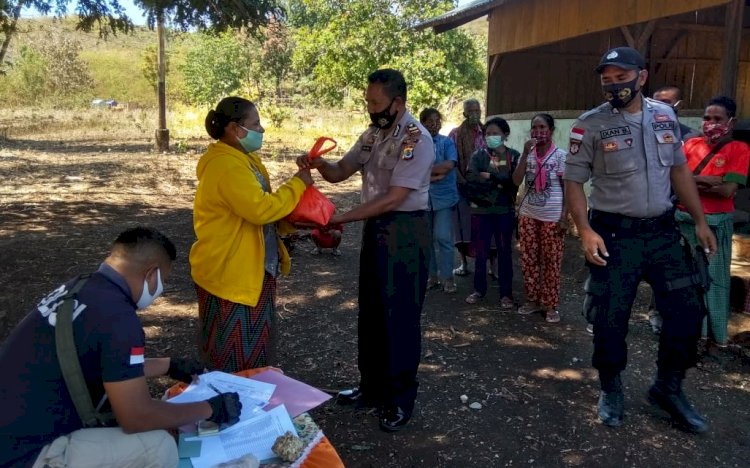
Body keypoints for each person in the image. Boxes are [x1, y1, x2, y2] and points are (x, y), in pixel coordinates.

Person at [564, 46, 717, 433]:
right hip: (615, 234)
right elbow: (574, 181)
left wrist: (699, 220)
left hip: (663, 232)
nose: (615, 85)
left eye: (622, 77)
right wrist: (585, 230)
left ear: (641, 77)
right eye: (607, 80)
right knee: (610, 318)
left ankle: (668, 387)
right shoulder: (590, 125)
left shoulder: (665, 116)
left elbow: (679, 171)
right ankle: (611, 387)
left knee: (686, 311)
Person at [0, 227, 242, 468]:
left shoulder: (80, 289)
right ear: (151, 274)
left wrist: (168, 365)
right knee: (158, 446)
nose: (161, 290)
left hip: (12, 431)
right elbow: (136, 417)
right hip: (25, 455)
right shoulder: (118, 319)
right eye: (163, 281)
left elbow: (99, 364)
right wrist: (208, 408)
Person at [296, 69, 433, 432]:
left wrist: (342, 217)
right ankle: (370, 388)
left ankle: (399, 399)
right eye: (368, 102)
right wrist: (318, 164)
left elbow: (395, 198)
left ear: (397, 102)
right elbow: (341, 171)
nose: (370, 109)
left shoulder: (416, 139)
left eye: (376, 103)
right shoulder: (373, 134)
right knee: (371, 312)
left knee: (400, 318)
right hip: (377, 228)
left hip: (406, 230)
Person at [191, 97, 313, 373]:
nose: (262, 129)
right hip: (231, 271)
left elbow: (261, 209)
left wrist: (290, 221)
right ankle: (231, 405)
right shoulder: (226, 166)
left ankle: (249, 402)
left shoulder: (246, 160)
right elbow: (259, 209)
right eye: (255, 123)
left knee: (253, 346)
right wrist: (297, 184)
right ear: (235, 129)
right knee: (232, 352)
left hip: (251, 268)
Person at [676, 96, 750, 354]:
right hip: (682, 222)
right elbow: (674, 180)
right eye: (707, 118)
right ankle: (690, 335)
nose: (711, 124)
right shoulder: (690, 145)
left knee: (714, 282)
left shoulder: (739, 149)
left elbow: (728, 190)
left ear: (732, 122)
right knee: (685, 281)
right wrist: (710, 180)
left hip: (717, 226)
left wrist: (691, 179)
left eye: (718, 119)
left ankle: (714, 338)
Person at [646, 85, 699, 334]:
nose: (661, 108)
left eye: (668, 103)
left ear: (680, 106)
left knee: (671, 268)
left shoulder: (691, 139)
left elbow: (691, 176)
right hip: (646, 210)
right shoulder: (643, 132)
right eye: (657, 102)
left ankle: (664, 313)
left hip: (676, 212)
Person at [512, 113, 568, 323]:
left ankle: (550, 304)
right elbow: (516, 181)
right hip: (528, 216)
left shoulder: (561, 156)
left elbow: (567, 189)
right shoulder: (527, 155)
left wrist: (564, 218)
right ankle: (533, 301)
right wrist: (525, 155)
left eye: (543, 127)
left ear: (551, 130)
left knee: (551, 262)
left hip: (552, 217)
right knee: (529, 260)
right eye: (534, 128)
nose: (538, 132)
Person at [463, 117, 519, 309]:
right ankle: (479, 289)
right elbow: (471, 178)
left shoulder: (514, 156)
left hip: (504, 212)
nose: (490, 137)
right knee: (480, 252)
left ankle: (506, 294)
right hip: (481, 211)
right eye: (487, 134)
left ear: (505, 134)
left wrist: (492, 176)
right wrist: (499, 181)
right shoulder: (478, 155)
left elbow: (513, 182)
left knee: (504, 252)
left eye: (495, 133)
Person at [421, 107, 459, 293]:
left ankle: (448, 277)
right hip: (422, 198)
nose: (433, 124)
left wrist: (424, 173)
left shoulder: (447, 143)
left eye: (436, 120)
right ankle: (432, 276)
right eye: (428, 120)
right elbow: (410, 168)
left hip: (444, 198)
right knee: (426, 239)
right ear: (421, 123)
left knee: (443, 237)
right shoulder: (416, 144)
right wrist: (432, 175)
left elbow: (448, 165)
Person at [449, 98, 489, 277]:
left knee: (485, 226)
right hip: (463, 187)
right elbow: (451, 162)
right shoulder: (455, 134)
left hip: (485, 188)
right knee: (463, 226)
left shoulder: (487, 132)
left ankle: (491, 266)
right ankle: (464, 264)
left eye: (477, 110)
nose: (474, 114)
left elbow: (495, 157)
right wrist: (463, 182)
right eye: (470, 111)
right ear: (464, 114)